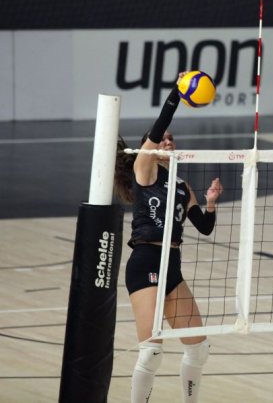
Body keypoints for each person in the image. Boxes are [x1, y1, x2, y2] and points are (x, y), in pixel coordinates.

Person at [114, 71, 223, 403]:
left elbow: (203, 226)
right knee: (151, 352)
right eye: (162, 139)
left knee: (199, 348)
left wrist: (210, 204)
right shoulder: (145, 170)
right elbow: (160, 125)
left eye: (172, 139)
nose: (168, 141)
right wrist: (177, 92)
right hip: (146, 260)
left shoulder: (182, 185)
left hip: (172, 264)